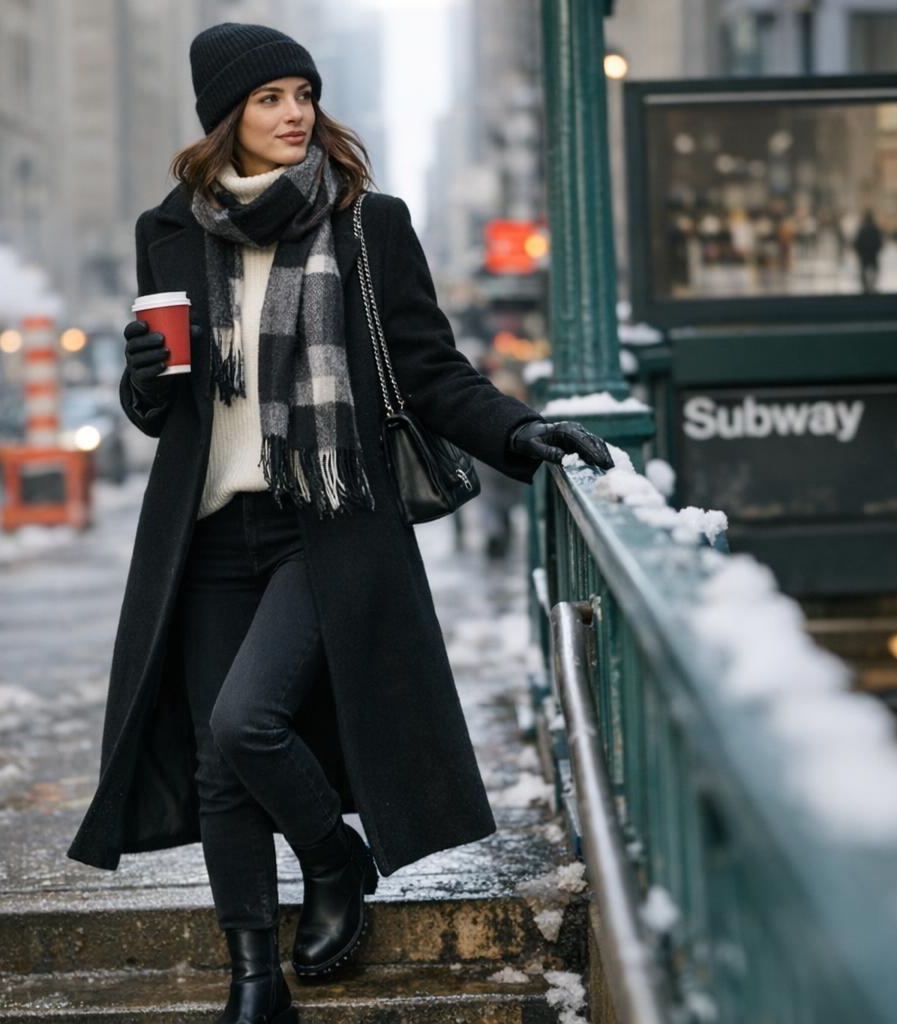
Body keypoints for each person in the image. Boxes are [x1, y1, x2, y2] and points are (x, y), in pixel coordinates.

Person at [64, 23, 612, 1024]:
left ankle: (335, 856)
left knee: (247, 720)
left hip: (327, 520)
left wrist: (520, 431)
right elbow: (163, 411)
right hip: (206, 532)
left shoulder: (366, 226)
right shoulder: (170, 232)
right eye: (270, 96)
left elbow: (430, 369)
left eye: (303, 92)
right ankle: (255, 982)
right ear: (226, 116)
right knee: (215, 761)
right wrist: (140, 380)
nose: (294, 113)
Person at [854, 209, 882, 294]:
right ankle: (872, 286)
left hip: (865, 253)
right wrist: (876, 249)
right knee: (874, 269)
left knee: (864, 269)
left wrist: (859, 251)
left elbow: (857, 242)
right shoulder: (875, 228)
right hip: (872, 253)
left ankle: (866, 287)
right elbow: (879, 241)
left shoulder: (862, 229)